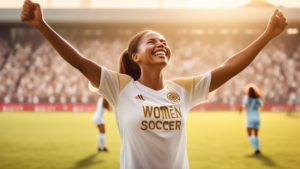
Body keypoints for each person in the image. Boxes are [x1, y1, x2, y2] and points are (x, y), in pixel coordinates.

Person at [21, 1, 288, 168]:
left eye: (164, 41)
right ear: (135, 56)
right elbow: (79, 61)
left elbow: (230, 67)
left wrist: (267, 35)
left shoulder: (183, 89)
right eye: (152, 41)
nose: (161, 44)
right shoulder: (120, 87)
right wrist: (42, 25)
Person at [240, 84, 264, 154]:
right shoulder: (258, 98)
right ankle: (257, 148)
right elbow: (261, 106)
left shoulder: (246, 97)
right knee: (256, 135)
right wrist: (257, 111)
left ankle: (256, 149)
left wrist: (242, 109)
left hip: (249, 118)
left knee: (250, 135)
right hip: (257, 118)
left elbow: (243, 106)